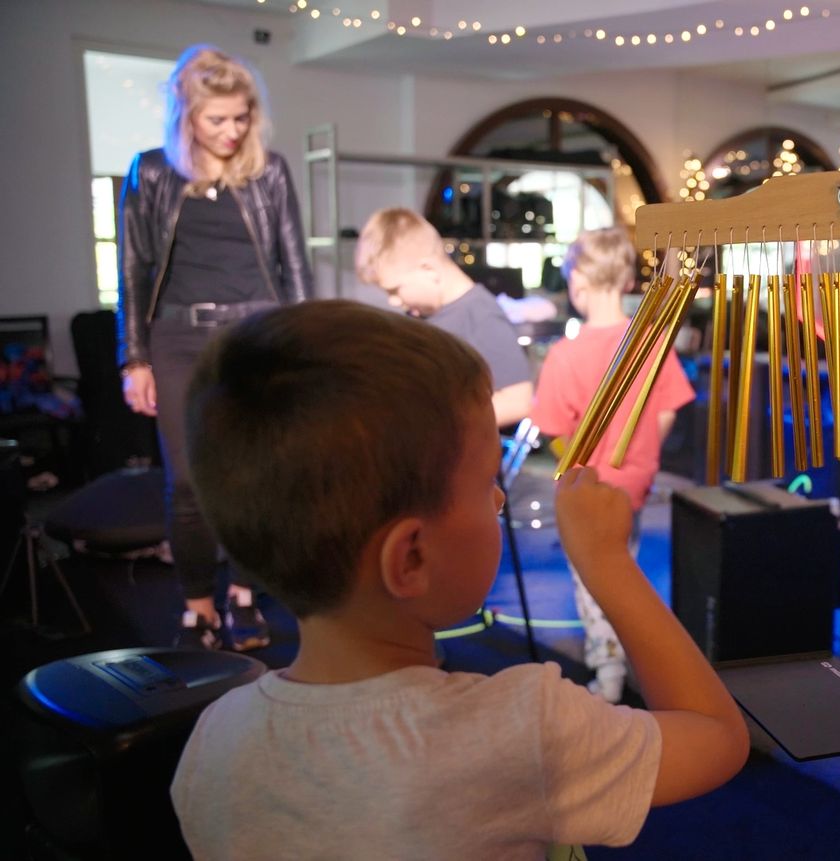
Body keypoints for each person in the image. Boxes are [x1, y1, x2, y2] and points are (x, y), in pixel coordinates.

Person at [169, 300, 749, 857]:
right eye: (486, 482)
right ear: (411, 559)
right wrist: (607, 563)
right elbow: (716, 736)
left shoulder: (214, 739)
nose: (499, 498)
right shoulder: (521, 732)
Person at [117, 44, 310, 651]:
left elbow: (296, 265)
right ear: (186, 115)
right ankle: (198, 606)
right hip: (178, 339)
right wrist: (134, 358)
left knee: (254, 475)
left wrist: (305, 347)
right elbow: (132, 270)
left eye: (241, 117)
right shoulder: (151, 172)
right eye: (216, 119)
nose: (232, 131)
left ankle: (244, 596)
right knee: (190, 482)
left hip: (257, 335)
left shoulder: (269, 171)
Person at [530, 227, 695, 703]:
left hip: (588, 488)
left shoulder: (565, 355)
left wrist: (577, 464)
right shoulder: (652, 343)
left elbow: (554, 431)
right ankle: (634, 662)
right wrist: (639, 454)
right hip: (634, 483)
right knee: (626, 566)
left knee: (591, 580)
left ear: (576, 281)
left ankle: (609, 676)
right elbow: (666, 411)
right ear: (626, 281)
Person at [354, 207, 532, 429]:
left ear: (428, 270)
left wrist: (439, 426)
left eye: (395, 290)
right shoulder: (419, 316)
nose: (394, 301)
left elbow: (518, 400)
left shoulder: (481, 315)